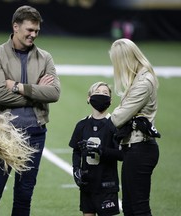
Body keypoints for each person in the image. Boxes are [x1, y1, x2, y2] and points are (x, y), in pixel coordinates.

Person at [0, 5, 61, 216]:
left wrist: (18, 86)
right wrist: (37, 92)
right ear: (16, 27)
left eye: (37, 31)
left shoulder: (45, 57)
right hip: (3, 133)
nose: (34, 35)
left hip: (35, 133)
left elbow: (54, 93)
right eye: (29, 30)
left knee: (24, 195)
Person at [109, 38, 160, 216]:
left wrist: (99, 120)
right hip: (134, 148)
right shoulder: (139, 79)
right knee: (130, 207)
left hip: (140, 148)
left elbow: (119, 116)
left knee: (138, 208)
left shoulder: (143, 82)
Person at [69, 82, 123, 216]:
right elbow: (76, 150)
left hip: (107, 185)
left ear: (110, 100)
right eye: (97, 92)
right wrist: (76, 169)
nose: (101, 95)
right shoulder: (82, 125)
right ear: (89, 98)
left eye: (105, 93)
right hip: (87, 184)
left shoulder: (114, 125)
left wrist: (101, 150)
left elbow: (122, 154)